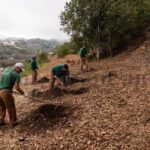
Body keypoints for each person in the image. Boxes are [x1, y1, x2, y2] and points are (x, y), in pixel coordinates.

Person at [0, 63, 25, 127]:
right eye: (21, 70)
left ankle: (1, 121)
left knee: (2, 107)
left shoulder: (6, 70)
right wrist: (23, 93)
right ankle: (13, 122)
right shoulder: (17, 75)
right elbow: (17, 87)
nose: (21, 71)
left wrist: (8, 87)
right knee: (11, 107)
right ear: (17, 68)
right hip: (5, 92)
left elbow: (4, 80)